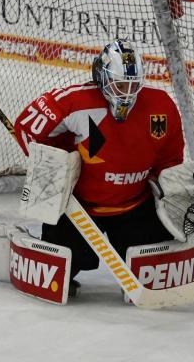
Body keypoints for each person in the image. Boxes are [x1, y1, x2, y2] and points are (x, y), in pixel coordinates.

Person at [13, 39, 184, 296]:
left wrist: (170, 193)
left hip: (135, 208)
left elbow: (169, 160)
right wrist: (56, 163)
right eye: (120, 84)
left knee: (156, 274)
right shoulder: (74, 101)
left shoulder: (161, 106)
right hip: (80, 210)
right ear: (102, 78)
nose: (127, 93)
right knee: (57, 276)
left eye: (133, 85)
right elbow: (25, 127)